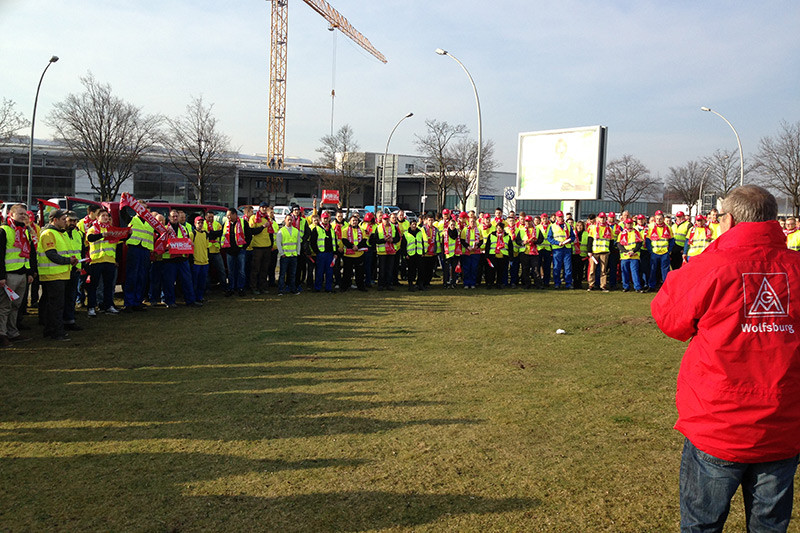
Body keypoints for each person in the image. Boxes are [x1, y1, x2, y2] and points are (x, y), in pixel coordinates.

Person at [652, 185, 800, 532]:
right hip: (782, 423)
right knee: (770, 526)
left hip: (718, 423)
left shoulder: (709, 267)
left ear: (728, 220)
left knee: (702, 524)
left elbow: (669, 319)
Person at [37, 210, 79, 341]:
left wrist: (69, 260)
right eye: (63, 219)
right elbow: (52, 255)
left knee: (54, 305)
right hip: (53, 275)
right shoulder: (49, 233)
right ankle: (57, 332)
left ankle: (50, 330)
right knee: (56, 306)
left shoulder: (59, 233)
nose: (65, 221)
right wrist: (68, 261)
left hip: (59, 274)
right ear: (54, 220)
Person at [0, 204, 36, 345]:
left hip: (22, 274)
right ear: (11, 215)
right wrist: (1, 276)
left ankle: (12, 332)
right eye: (20, 213)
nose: (23, 216)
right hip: (9, 275)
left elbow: (28, 254)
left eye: (25, 214)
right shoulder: (4, 231)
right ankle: (2, 334)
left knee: (16, 305)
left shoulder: (24, 231)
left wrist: (30, 272)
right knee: (4, 306)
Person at [85, 208, 122, 316]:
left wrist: (128, 233)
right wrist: (102, 235)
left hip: (109, 260)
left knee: (108, 286)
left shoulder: (112, 229)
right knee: (94, 286)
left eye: (107, 216)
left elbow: (120, 240)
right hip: (96, 261)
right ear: (97, 217)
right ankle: (91, 307)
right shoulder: (94, 228)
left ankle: (108, 306)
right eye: (103, 216)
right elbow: (90, 238)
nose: (106, 218)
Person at [123, 201, 154, 311]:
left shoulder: (151, 222)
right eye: (141, 208)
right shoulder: (132, 219)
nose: (144, 210)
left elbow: (161, 231)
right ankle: (129, 303)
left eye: (145, 208)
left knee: (142, 277)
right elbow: (122, 211)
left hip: (145, 250)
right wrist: (125, 200)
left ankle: (138, 302)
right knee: (132, 276)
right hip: (134, 249)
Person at [248, 202, 274, 295]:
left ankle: (262, 286)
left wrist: (271, 245)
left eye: (265, 207)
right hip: (257, 247)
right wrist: (263, 227)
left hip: (266, 246)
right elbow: (252, 231)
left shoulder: (268, 218)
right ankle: (254, 287)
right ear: (259, 208)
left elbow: (270, 233)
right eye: (262, 207)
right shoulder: (254, 218)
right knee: (255, 269)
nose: (264, 209)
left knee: (264, 269)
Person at [547, 210, 575, 289]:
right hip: (557, 249)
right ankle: (557, 283)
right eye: (559, 217)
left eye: (561, 216)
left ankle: (568, 283)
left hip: (567, 248)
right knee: (557, 267)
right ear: (556, 217)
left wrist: (569, 240)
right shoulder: (552, 226)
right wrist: (557, 243)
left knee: (568, 267)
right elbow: (549, 238)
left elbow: (573, 236)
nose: (560, 218)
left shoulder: (568, 226)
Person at [646, 210, 673, 292]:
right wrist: (650, 251)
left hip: (664, 253)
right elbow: (647, 240)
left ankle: (666, 287)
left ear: (663, 219)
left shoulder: (668, 227)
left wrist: (669, 251)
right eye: (657, 218)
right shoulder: (650, 227)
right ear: (655, 218)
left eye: (660, 218)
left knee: (665, 271)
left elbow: (671, 240)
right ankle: (651, 286)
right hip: (655, 252)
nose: (659, 220)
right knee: (653, 270)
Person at [340, 214, 368, 292]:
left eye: (356, 221)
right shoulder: (345, 230)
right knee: (347, 272)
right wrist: (352, 246)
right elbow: (344, 240)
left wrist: (357, 247)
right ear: (350, 221)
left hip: (359, 254)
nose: (354, 222)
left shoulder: (362, 230)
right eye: (353, 221)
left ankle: (361, 286)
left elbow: (364, 240)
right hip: (348, 254)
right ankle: (344, 286)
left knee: (360, 272)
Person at [586, 212, 613, 292]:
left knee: (603, 270)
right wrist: (589, 251)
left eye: (604, 218)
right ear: (598, 218)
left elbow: (611, 241)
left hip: (604, 252)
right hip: (594, 252)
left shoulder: (609, 228)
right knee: (592, 270)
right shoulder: (593, 227)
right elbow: (590, 240)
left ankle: (603, 286)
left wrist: (610, 250)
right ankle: (591, 285)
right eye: (601, 218)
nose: (602, 219)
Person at [616, 218, 644, 293]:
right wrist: (626, 251)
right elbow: (619, 244)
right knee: (624, 272)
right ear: (625, 224)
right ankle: (626, 287)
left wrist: (633, 251)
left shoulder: (636, 232)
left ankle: (637, 287)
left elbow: (639, 243)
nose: (629, 225)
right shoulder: (622, 233)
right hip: (624, 256)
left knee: (634, 272)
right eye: (628, 223)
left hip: (634, 256)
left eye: (630, 223)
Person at [311, 212, 336, 293]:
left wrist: (335, 252)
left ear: (329, 219)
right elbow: (313, 242)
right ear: (321, 219)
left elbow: (334, 241)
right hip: (321, 254)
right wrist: (317, 251)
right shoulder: (316, 229)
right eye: (324, 218)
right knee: (319, 271)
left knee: (329, 272)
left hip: (330, 254)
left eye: (327, 218)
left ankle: (328, 288)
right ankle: (317, 287)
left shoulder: (332, 229)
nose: (325, 220)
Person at [276, 214, 300, 295]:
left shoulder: (296, 231)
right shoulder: (281, 231)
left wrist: (298, 252)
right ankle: (280, 290)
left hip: (293, 255)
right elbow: (278, 243)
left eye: (291, 220)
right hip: (285, 256)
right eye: (288, 220)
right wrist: (282, 253)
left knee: (292, 274)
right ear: (285, 220)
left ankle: (292, 289)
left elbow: (298, 243)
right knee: (282, 274)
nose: (289, 221)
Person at [191, 216, 210, 303]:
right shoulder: (192, 234)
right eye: (198, 223)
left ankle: (200, 296)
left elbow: (207, 246)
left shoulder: (205, 234)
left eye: (202, 223)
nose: (200, 225)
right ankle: (193, 297)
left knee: (202, 282)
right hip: (196, 262)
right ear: (195, 224)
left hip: (205, 261)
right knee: (195, 281)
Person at [401, 218, 423, 291]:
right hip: (410, 254)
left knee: (420, 270)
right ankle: (410, 285)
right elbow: (403, 246)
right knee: (411, 271)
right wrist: (405, 254)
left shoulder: (420, 232)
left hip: (419, 254)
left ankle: (419, 284)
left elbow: (421, 242)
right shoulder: (406, 234)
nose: (414, 226)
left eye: (415, 224)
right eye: (413, 224)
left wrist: (423, 252)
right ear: (410, 225)